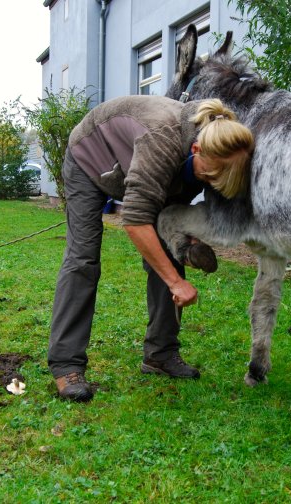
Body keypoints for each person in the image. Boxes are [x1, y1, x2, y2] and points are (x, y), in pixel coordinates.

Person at [48, 96, 255, 402]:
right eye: (208, 175)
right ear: (196, 149)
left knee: (169, 255)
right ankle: (66, 364)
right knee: (83, 258)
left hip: (140, 167)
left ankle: (161, 354)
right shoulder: (161, 140)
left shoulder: (223, 149)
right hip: (91, 160)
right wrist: (176, 282)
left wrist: (187, 241)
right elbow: (134, 220)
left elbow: (182, 203)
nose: (212, 182)